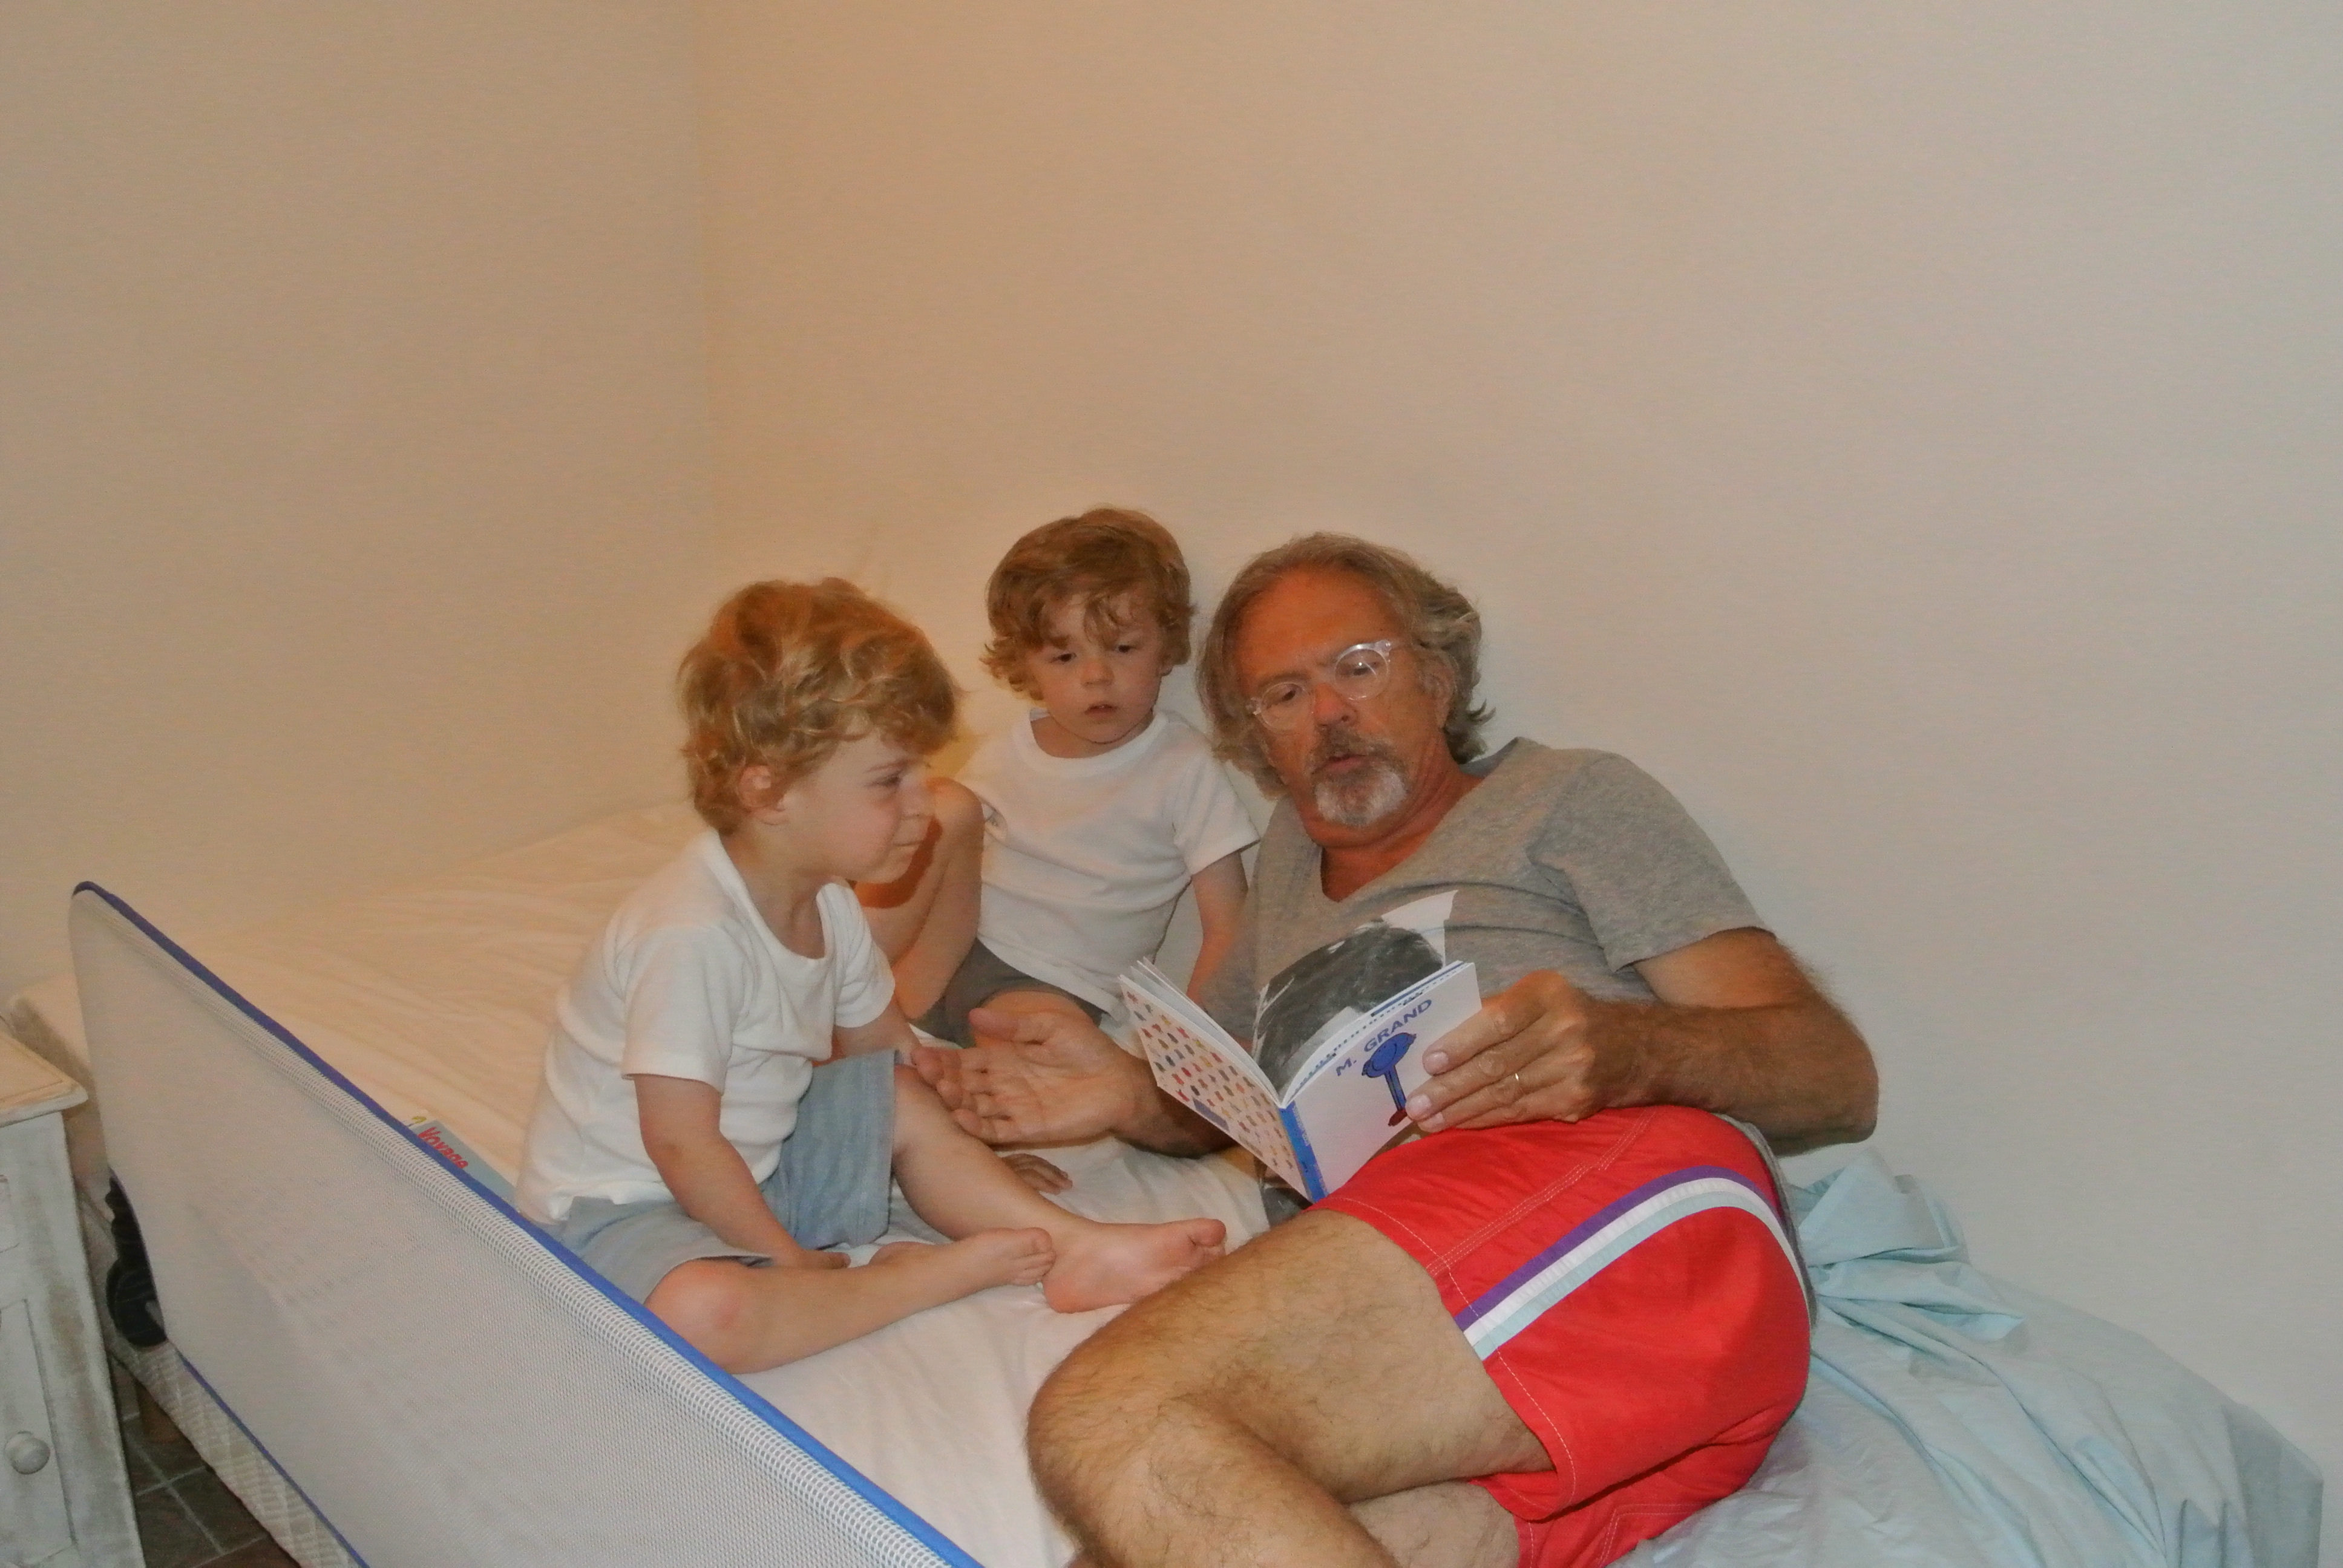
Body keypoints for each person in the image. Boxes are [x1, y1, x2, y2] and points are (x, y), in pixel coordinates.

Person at [917, 537, 1878, 1567]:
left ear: (1439, 676)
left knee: (1116, 1418)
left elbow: (1835, 1079)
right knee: (1149, 1538)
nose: (1329, 712)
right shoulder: (1288, 860)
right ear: (1256, 736)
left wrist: (1630, 1048)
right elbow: (1235, 1104)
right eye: (1284, 694)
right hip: (1493, 1348)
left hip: (1615, 1210)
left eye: (1359, 667)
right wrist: (1122, 1092)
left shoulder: (1566, 798)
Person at [513, 580, 1225, 1374]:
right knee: (706, 1314)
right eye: (890, 781)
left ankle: (1075, 1246)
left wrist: (964, 1132)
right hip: (631, 1202)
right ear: (769, 791)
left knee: (898, 1091)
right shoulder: (691, 933)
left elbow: (883, 1049)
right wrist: (785, 1260)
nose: (925, 802)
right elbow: (680, 1143)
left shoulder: (828, 905)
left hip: (760, 1164)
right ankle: (916, 1280)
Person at [898, 508, 1259, 1045]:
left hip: (1057, 985)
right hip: (944, 950)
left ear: (1166, 647)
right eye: (1065, 656)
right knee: (943, 806)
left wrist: (1191, 1046)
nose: (1096, 676)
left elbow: (1228, 926)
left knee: (1010, 1065)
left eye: (1123, 648)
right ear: (1026, 666)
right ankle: (841, 971)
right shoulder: (1006, 751)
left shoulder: (1180, 766)